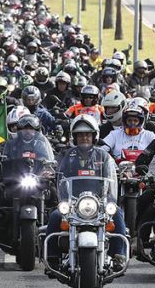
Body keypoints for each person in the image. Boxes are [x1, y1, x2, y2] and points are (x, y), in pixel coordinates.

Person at [44, 114, 126, 270]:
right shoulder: (66, 156)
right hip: (73, 202)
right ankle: (52, 257)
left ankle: (119, 255)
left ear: (94, 136)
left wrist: (124, 173)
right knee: (55, 216)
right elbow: (56, 168)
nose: (84, 138)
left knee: (117, 213)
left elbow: (113, 171)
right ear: (74, 137)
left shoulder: (104, 155)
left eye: (87, 134)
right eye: (80, 135)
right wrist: (49, 171)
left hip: (98, 201)